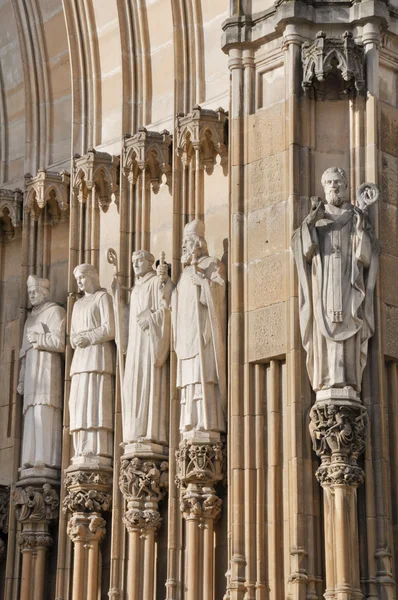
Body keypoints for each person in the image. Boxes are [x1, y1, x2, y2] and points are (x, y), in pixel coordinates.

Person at [292, 167, 379, 394]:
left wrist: (361, 228)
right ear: (323, 186)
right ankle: (327, 377)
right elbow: (303, 251)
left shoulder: (355, 215)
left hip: (350, 283)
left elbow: (367, 256)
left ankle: (349, 379)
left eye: (338, 182)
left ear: (346, 186)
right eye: (329, 182)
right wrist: (310, 222)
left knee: (349, 321)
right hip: (324, 283)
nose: (334, 186)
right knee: (325, 323)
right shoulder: (317, 218)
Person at [173, 219, 226, 434]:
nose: (184, 246)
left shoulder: (213, 264)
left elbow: (219, 293)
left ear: (199, 243)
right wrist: (168, 292)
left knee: (203, 376)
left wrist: (204, 282)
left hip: (203, 336)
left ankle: (207, 421)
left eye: (188, 241)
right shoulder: (185, 273)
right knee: (189, 380)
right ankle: (190, 420)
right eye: (183, 242)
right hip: (186, 336)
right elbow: (177, 303)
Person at [120, 250, 173, 446]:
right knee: (133, 383)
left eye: (139, 260)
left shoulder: (154, 282)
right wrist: (118, 299)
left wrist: (164, 281)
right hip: (135, 345)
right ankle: (134, 431)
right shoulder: (134, 290)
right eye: (133, 261)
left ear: (150, 262)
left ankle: (150, 431)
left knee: (149, 382)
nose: (135, 264)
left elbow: (166, 307)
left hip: (150, 343)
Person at [17, 275, 65, 470]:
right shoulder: (29, 320)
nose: (32, 295)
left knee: (44, 410)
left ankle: (45, 459)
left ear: (45, 292)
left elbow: (60, 342)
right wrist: (21, 379)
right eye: (29, 292)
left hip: (47, 370)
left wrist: (39, 338)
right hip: (31, 376)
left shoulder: (55, 312)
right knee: (31, 413)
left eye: (35, 291)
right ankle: (29, 459)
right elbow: (23, 355)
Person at [69, 264, 115, 462]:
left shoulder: (103, 298)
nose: (79, 282)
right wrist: (77, 339)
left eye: (82, 277)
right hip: (80, 360)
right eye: (77, 279)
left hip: (97, 356)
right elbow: (71, 337)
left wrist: (88, 337)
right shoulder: (77, 305)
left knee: (95, 400)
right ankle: (80, 448)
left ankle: (97, 448)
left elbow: (110, 329)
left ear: (93, 277)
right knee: (79, 403)